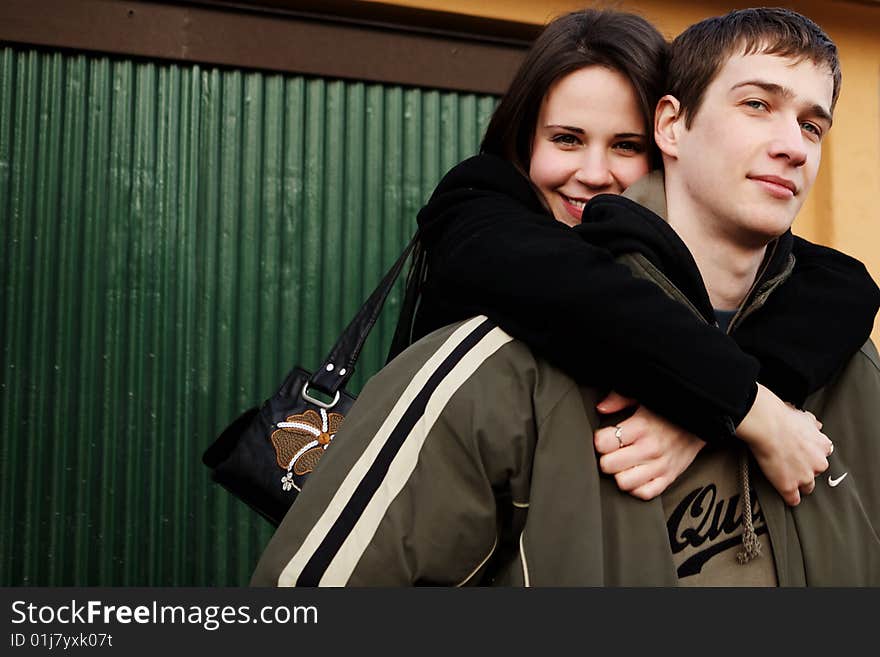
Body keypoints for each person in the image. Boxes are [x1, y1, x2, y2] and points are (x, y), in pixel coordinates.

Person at [251, 7, 880, 586]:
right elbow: (586, 299)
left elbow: (840, 282)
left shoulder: (830, 339)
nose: (595, 173)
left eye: (625, 146)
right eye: (566, 139)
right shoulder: (491, 246)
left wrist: (720, 407)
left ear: (661, 143)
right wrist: (745, 407)